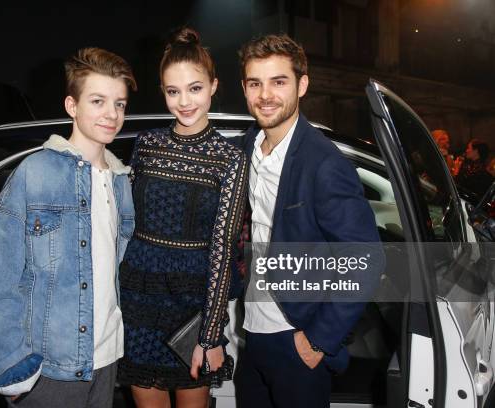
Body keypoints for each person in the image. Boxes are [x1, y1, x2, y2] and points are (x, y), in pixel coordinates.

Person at [0, 47, 136, 408]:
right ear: (72, 106)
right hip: (50, 370)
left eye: (119, 104)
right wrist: (13, 367)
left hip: (105, 361)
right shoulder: (36, 173)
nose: (111, 114)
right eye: (98, 101)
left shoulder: (121, 181)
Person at [236, 34, 383, 408]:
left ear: (302, 85)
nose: (265, 95)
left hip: (294, 338)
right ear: (245, 88)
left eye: (278, 82)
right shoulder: (243, 149)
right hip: (250, 333)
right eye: (256, 83)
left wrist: (317, 340)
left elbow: (365, 258)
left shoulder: (325, 164)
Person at [117, 27, 248, 408]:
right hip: (138, 296)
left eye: (194, 88)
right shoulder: (147, 145)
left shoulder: (230, 158)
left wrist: (210, 335)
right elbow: (124, 222)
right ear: (163, 91)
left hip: (193, 303)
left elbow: (223, 252)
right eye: (173, 91)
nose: (184, 102)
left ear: (213, 86)